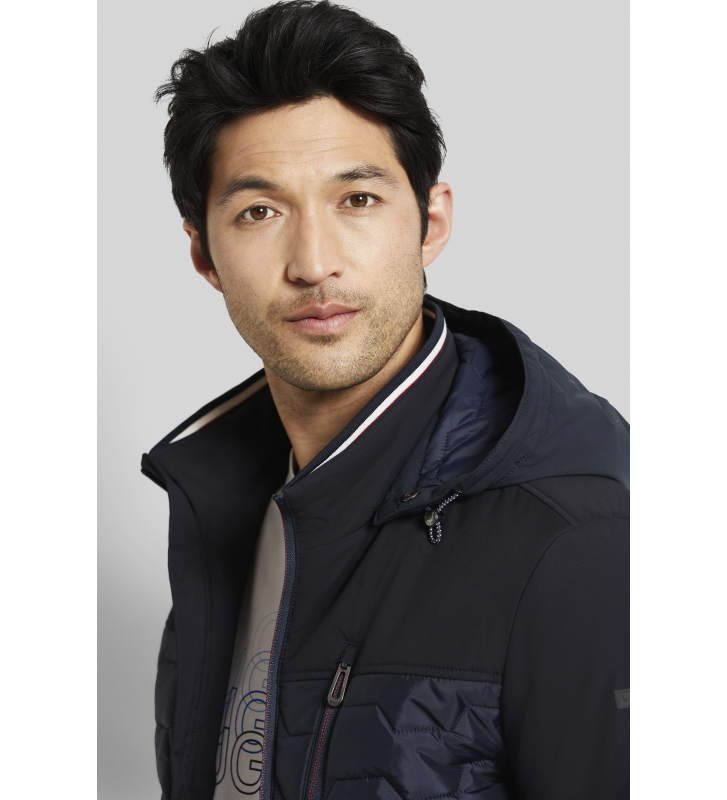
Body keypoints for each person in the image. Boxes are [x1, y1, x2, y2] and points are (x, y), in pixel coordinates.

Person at [142, 2, 630, 798]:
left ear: (429, 223)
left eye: (357, 200)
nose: (313, 263)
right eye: (259, 211)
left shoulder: (574, 545)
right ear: (204, 254)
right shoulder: (223, 517)